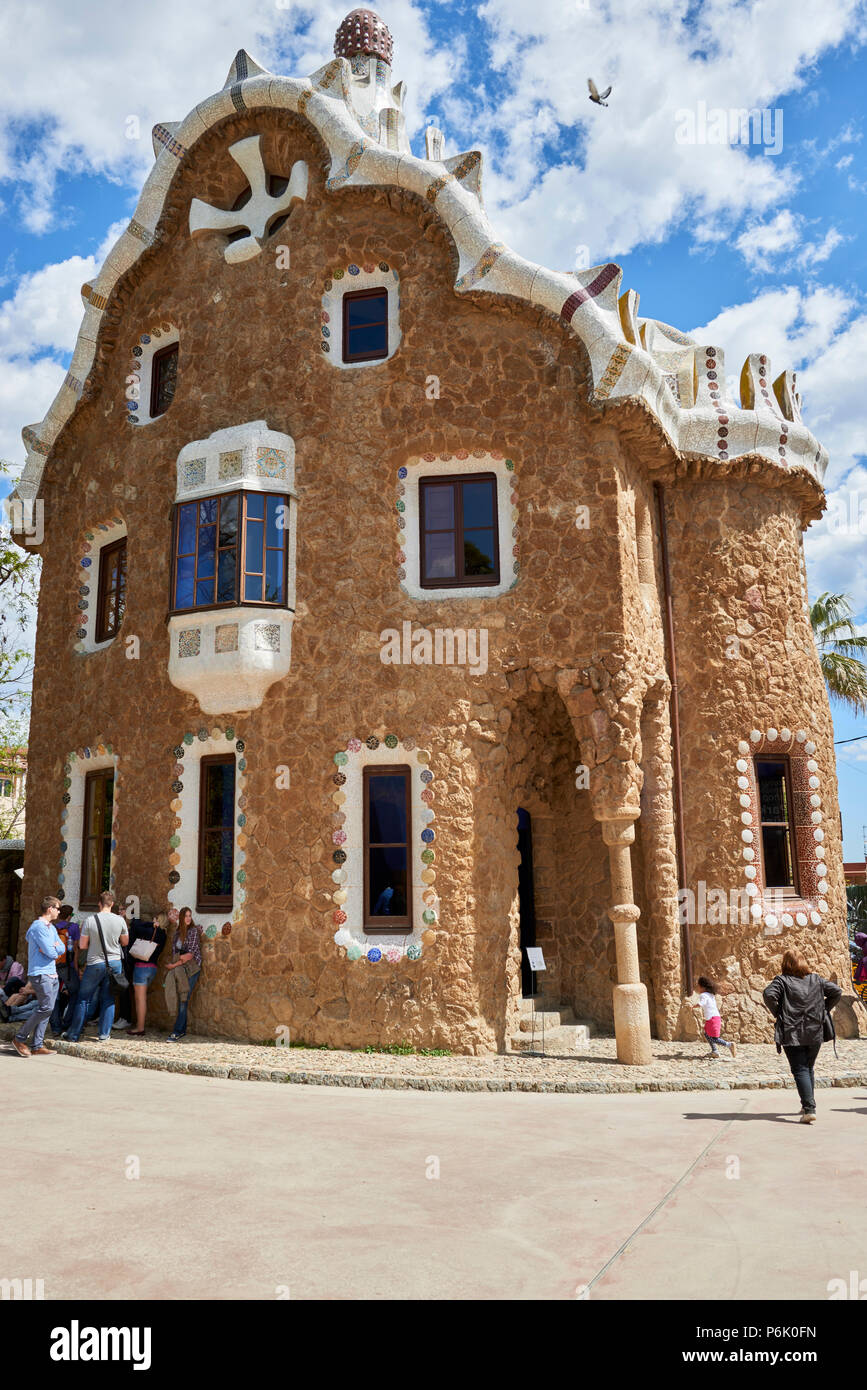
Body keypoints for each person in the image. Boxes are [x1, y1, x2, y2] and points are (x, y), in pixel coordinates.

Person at [763, 949, 842, 1124]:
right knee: (808, 1067)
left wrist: (778, 1012)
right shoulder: (816, 979)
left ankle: (809, 1108)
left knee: (800, 1069)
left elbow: (768, 995)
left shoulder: (782, 981)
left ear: (785, 964)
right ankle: (808, 1103)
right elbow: (837, 991)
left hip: (792, 1030)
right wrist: (823, 1009)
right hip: (815, 1029)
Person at [64, 891, 129, 1042]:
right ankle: (104, 1035)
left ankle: (74, 1034)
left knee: (83, 999)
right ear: (112, 904)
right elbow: (125, 942)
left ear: (99, 904)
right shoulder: (120, 920)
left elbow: (82, 945)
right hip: (114, 962)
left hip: (95, 963)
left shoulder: (90, 920)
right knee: (109, 999)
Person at [11, 895, 66, 1057]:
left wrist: (53, 948)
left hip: (51, 973)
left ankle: (37, 1045)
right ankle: (19, 1038)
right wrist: (52, 949)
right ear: (50, 909)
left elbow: (61, 949)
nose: (59, 911)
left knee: (46, 1009)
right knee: (46, 1007)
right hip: (41, 973)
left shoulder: (51, 928)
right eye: (57, 908)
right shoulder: (39, 927)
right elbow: (51, 952)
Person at [127, 911, 169, 1035]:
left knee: (140, 999)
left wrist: (150, 924)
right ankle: (140, 1026)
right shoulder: (163, 935)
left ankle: (140, 1028)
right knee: (142, 998)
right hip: (153, 968)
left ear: (157, 920)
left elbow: (136, 927)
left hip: (141, 968)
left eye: (154, 918)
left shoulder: (150, 931)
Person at [165, 907, 202, 1042]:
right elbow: (176, 953)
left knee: (183, 998)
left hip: (191, 969)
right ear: (181, 917)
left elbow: (189, 955)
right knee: (180, 997)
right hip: (181, 969)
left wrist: (173, 966)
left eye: (190, 916)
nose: (188, 918)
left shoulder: (193, 932)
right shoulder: (176, 934)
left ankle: (177, 1031)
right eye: (186, 916)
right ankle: (182, 1029)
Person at [49, 905, 81, 1037]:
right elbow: (76, 949)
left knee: (54, 997)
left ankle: (55, 1027)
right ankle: (67, 1022)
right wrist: (76, 967)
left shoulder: (52, 927)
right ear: (70, 915)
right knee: (76, 992)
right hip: (68, 966)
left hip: (53, 964)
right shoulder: (73, 927)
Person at [693, 975, 737, 1059]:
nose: (697, 988)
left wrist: (694, 1006)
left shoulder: (704, 995)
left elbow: (702, 1003)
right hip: (715, 1017)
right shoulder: (711, 995)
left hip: (712, 1019)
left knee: (714, 1038)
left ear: (703, 987)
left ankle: (729, 1045)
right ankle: (715, 1051)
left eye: (698, 986)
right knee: (707, 1034)